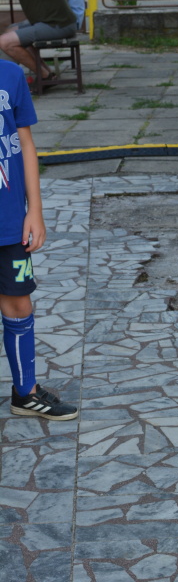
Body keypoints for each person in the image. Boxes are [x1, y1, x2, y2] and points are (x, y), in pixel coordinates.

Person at [0, 59, 78, 419]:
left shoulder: (11, 74)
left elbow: (26, 144)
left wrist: (35, 210)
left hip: (9, 222)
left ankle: (25, 393)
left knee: (18, 303)